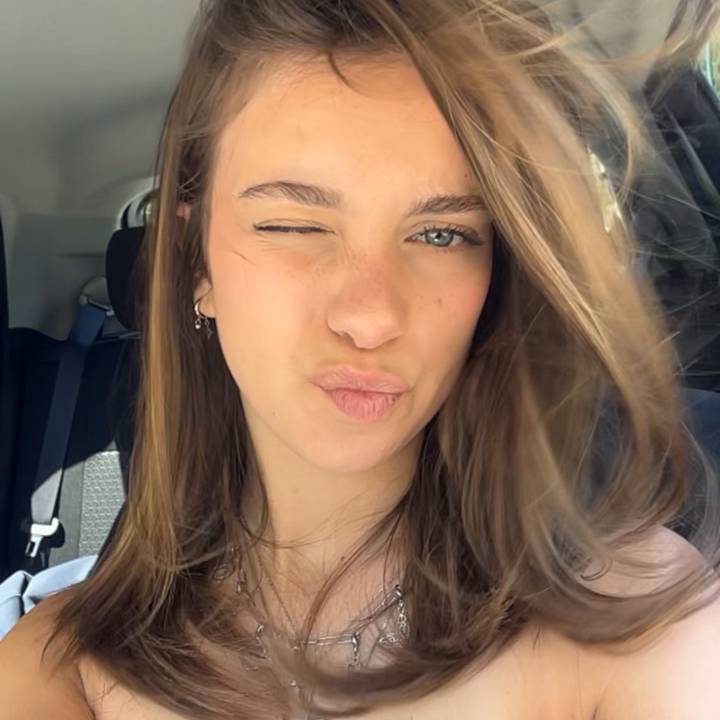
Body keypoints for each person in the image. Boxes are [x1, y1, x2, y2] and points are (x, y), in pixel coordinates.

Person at [2, 1, 720, 718]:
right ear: (197, 263)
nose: (371, 318)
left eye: (441, 234)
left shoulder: (634, 622)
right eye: (294, 225)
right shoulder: (61, 666)